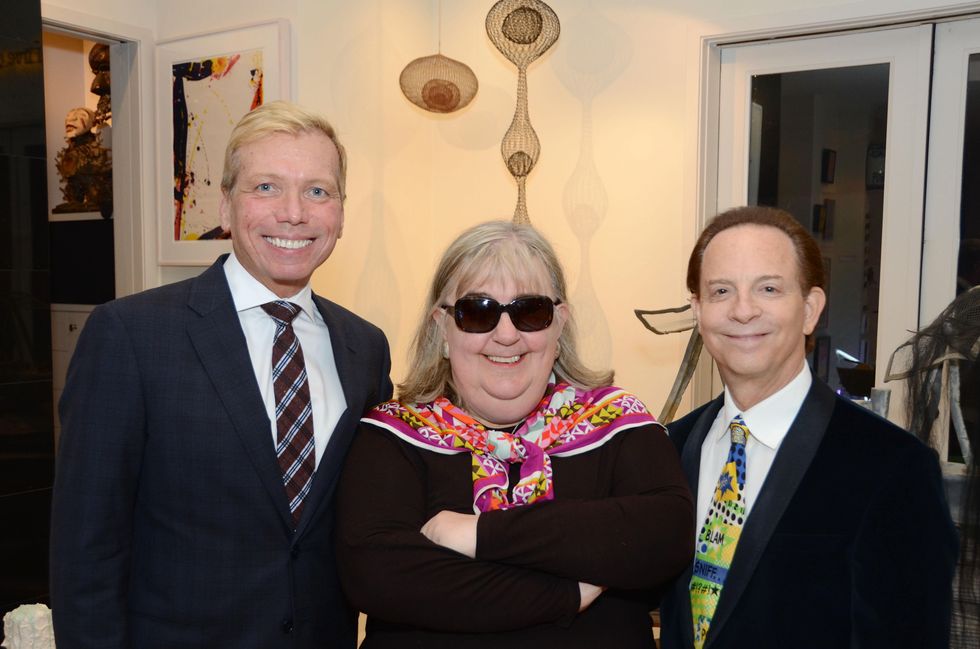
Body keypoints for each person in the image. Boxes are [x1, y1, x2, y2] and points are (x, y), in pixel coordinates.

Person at [49, 101, 393, 649]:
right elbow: (86, 550)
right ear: (226, 206)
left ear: (341, 214)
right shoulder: (131, 336)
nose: (294, 213)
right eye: (266, 188)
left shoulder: (365, 349)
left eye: (318, 191)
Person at [336, 220, 694, 648]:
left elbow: (663, 536)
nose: (506, 335)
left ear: (559, 325)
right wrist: (566, 592)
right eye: (478, 312)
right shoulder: (392, 433)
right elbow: (378, 575)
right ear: (442, 329)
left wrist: (477, 534)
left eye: (530, 311)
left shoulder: (617, 422)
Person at [658, 205, 958, 649]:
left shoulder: (893, 468)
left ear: (810, 309)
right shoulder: (670, 449)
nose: (743, 310)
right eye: (721, 291)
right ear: (699, 312)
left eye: (769, 288)